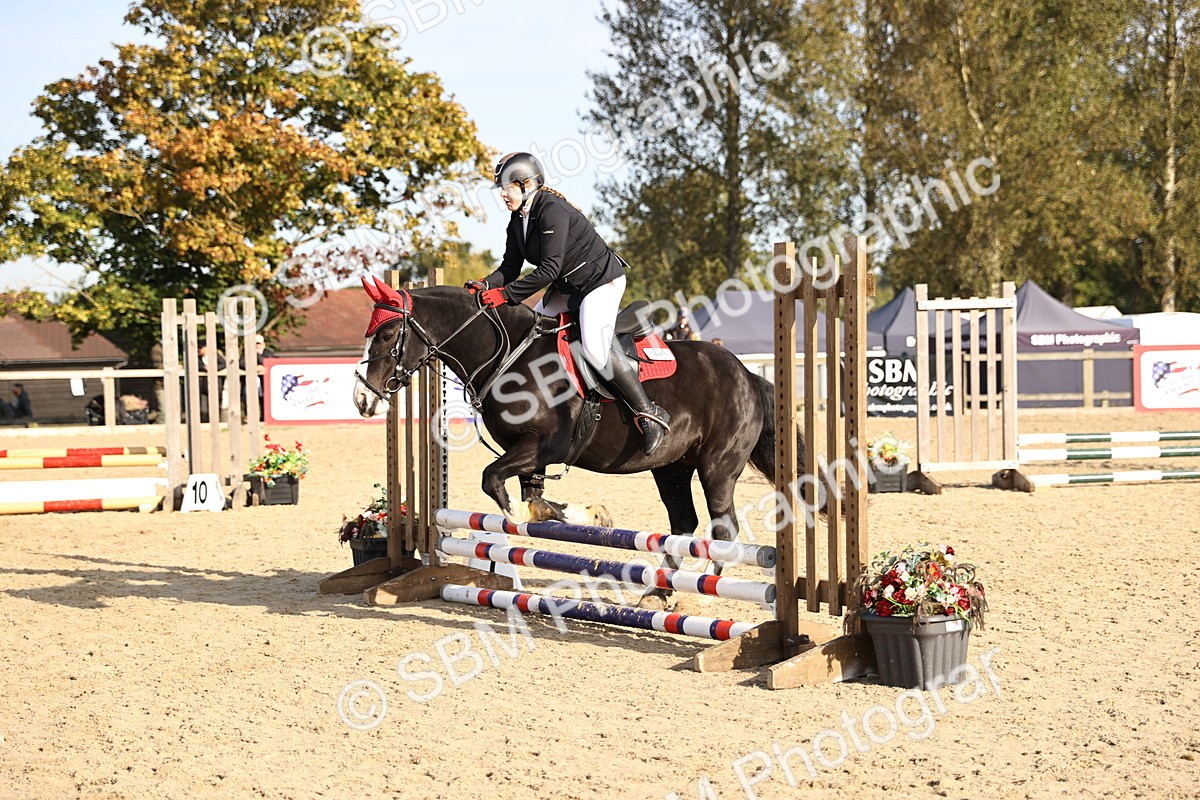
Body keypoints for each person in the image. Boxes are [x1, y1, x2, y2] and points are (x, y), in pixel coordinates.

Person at [468, 152, 670, 455]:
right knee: (528, 335)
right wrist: (486, 284)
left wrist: (507, 295)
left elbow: (548, 269)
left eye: (505, 188)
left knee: (593, 347)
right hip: (568, 285)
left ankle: (650, 413)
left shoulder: (552, 211)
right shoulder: (518, 219)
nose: (502, 196)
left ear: (525, 185)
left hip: (600, 282)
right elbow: (510, 266)